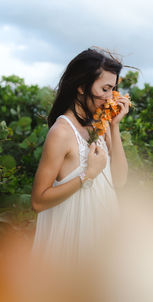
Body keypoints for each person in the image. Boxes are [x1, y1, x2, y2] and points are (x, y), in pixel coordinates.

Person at [30, 47, 130, 265]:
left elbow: (120, 181)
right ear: (82, 86)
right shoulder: (61, 132)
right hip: (72, 240)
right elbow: (38, 201)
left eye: (113, 89)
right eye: (105, 89)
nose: (110, 97)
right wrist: (87, 176)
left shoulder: (99, 125)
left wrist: (114, 127)